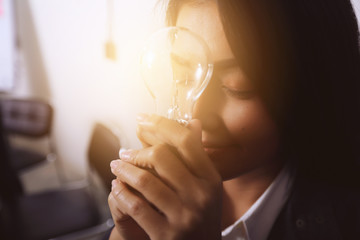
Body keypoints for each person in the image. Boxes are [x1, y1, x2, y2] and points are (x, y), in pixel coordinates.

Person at [107, 0, 360, 239]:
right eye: (185, 74)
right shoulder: (148, 200)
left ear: (312, 81)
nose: (195, 115)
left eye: (238, 86)